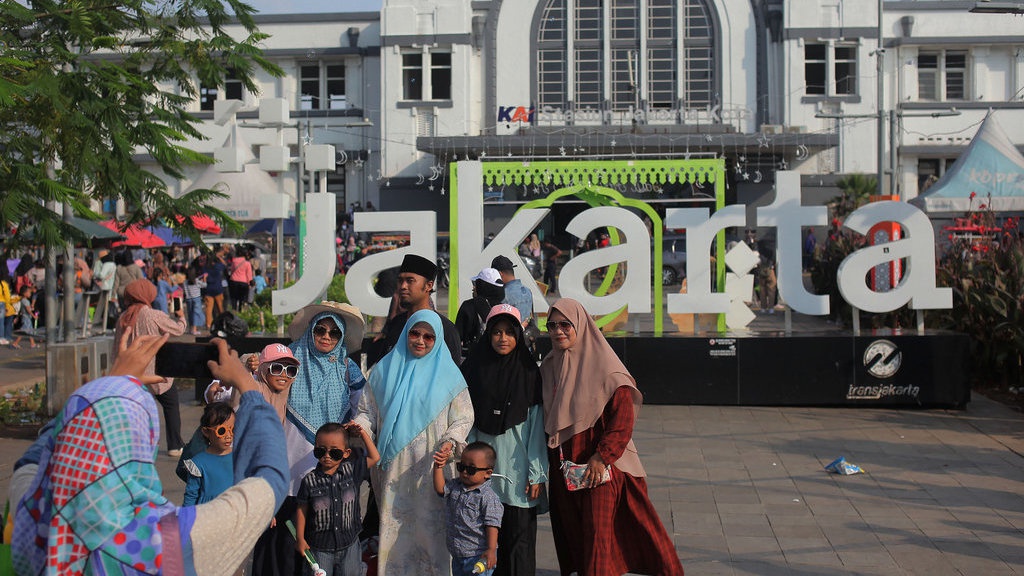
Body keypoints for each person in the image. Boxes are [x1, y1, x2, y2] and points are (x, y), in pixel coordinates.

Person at [10, 334, 290, 575]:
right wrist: (247, 384)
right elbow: (271, 478)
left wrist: (106, 387)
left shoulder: (34, 515)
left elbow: (38, 456)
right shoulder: (171, 541)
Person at [541, 298, 684, 576]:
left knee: (598, 537)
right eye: (552, 325)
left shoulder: (607, 368)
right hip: (565, 471)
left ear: (581, 326)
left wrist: (601, 456)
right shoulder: (549, 367)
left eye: (565, 325)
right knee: (576, 536)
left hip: (600, 471)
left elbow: (622, 420)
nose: (558, 331)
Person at [353, 309, 475, 576]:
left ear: (438, 340)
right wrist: (359, 427)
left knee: (433, 536)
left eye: (429, 337)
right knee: (395, 534)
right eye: (415, 334)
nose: (421, 340)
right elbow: (366, 412)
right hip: (394, 470)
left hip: (433, 470)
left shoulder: (450, 376)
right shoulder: (383, 371)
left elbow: (464, 418)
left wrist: (450, 442)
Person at [249, 302, 367, 576]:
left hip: (328, 463)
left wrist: (356, 425)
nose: (326, 337)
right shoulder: (292, 360)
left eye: (334, 333)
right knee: (281, 536)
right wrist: (249, 362)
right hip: (287, 459)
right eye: (321, 330)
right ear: (311, 330)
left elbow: (365, 407)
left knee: (320, 540)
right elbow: (261, 370)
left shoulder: (347, 368)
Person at [462, 304, 547, 576]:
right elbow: (468, 420)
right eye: (496, 332)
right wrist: (471, 466)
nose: (502, 338)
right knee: (486, 544)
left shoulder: (530, 374)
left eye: (509, 333)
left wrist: (536, 473)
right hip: (485, 474)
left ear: (518, 337)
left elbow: (535, 428)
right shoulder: (474, 370)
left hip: (519, 473)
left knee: (519, 544)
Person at [113, 278, 188, 456]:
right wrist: (181, 316)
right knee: (171, 406)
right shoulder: (153, 315)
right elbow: (178, 330)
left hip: (130, 376)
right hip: (156, 373)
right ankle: (174, 445)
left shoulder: (122, 318)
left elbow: (117, 347)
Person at [295, 421, 381, 576]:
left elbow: (375, 457)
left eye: (334, 453)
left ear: (346, 453)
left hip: (349, 545)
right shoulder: (309, 480)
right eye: (321, 451)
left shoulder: (352, 470)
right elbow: (302, 510)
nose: (327, 456)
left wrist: (362, 432)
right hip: (320, 547)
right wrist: (300, 538)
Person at [367, 253, 461, 366]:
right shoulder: (397, 323)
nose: (403, 286)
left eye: (410, 281)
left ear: (428, 286)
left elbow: (452, 376)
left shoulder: (445, 329)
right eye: (400, 280)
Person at [431, 441, 503, 576]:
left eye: (471, 469)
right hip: (458, 554)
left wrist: (492, 549)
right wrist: (438, 467)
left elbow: (492, 524)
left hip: (478, 556)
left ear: (487, 473)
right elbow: (440, 489)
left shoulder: (487, 497)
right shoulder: (456, 485)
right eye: (461, 467)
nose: (464, 472)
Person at [182, 402, 235, 506]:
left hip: (237, 513)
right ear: (206, 432)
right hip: (210, 514)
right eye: (222, 431)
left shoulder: (240, 456)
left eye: (232, 429)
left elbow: (250, 487)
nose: (228, 436)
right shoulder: (199, 463)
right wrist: (186, 518)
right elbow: (191, 495)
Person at [454, 267, 505, 357]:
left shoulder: (468, 306)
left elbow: (457, 337)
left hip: (473, 359)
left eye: (476, 284)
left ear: (483, 286)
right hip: (497, 357)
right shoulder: (504, 307)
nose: (473, 288)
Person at [491, 256, 533, 328]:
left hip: (511, 336)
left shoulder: (503, 295)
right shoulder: (528, 291)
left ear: (500, 274)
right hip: (527, 336)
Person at [202, 249, 228, 330]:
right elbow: (225, 264)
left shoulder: (205, 267)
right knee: (220, 307)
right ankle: (223, 322)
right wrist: (219, 257)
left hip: (209, 289)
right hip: (218, 289)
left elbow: (204, 278)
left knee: (208, 309)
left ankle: (208, 324)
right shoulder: (218, 266)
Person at [0, 265, 14, 346]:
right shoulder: (3, 284)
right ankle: (1, 337)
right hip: (1, 303)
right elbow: (7, 296)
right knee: (1, 321)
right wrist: (7, 304)